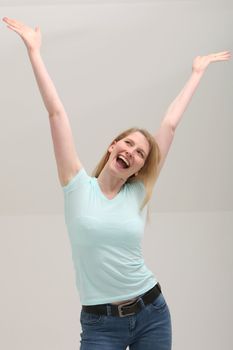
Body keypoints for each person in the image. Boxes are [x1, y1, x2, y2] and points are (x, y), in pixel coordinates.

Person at [2, 16, 230, 350]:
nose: (132, 152)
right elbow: (56, 114)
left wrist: (197, 72)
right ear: (113, 146)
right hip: (100, 324)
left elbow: (169, 124)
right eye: (128, 144)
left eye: (140, 153)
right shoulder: (77, 186)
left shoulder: (138, 193)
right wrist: (35, 52)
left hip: (152, 313)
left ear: (139, 168)